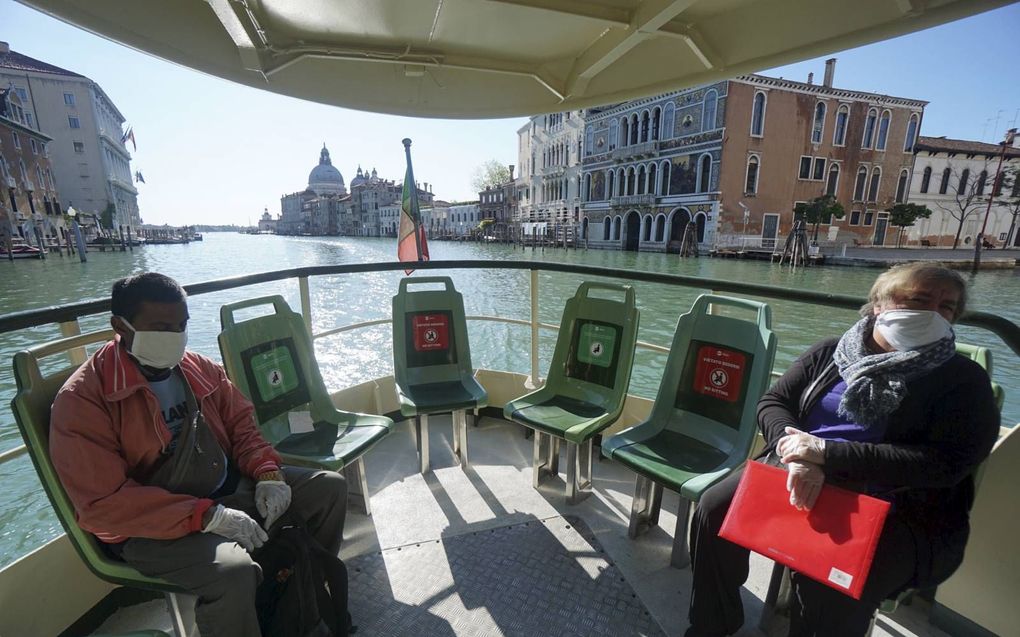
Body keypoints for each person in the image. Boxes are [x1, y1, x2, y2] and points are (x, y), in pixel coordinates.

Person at [685, 262, 1000, 637]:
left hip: (895, 504)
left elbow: (944, 464)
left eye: (946, 306)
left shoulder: (963, 380)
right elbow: (774, 401)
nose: (933, 312)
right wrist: (797, 453)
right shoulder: (831, 353)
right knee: (712, 511)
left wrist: (826, 455)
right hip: (794, 467)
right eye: (918, 300)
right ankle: (711, 624)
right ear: (879, 305)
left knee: (827, 579)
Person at [50, 272, 348, 637]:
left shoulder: (196, 367)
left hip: (224, 488)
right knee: (233, 572)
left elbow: (242, 424)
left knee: (328, 489)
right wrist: (206, 517)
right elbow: (102, 505)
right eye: (160, 327)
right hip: (150, 527)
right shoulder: (82, 400)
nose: (174, 338)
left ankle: (302, 600)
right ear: (120, 326)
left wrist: (268, 473)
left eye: (181, 325)